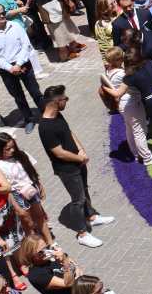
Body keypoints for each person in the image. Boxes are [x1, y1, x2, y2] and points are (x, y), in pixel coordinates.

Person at [38, 86, 111, 248]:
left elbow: (69, 133)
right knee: (77, 199)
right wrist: (79, 158)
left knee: (84, 189)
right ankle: (82, 233)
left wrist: (81, 150)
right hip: (67, 169)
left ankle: (91, 216)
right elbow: (58, 152)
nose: (67, 101)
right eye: (65, 99)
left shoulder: (58, 115)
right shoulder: (45, 127)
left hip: (78, 162)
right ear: (57, 101)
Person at [0, 4, 42, 130]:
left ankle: (46, 114)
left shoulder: (16, 26)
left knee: (35, 92)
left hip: (23, 65)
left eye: (3, 13)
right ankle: (28, 119)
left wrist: (18, 64)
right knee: (18, 96)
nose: (2, 16)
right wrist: (10, 68)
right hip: (7, 70)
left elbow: (26, 45)